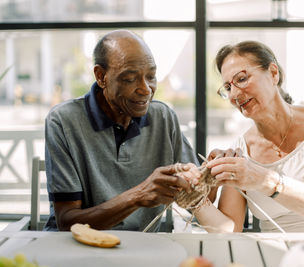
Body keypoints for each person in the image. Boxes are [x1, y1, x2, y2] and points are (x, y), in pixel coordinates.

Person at [194, 40, 304, 235]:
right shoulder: (240, 150)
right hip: (275, 257)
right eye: (228, 88)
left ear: (273, 73)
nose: (234, 94)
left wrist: (265, 180)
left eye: (241, 79)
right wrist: (196, 200)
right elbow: (229, 230)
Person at [44, 30, 199, 232]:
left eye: (151, 76)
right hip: (79, 247)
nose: (146, 89)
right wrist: (138, 196)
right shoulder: (63, 121)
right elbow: (67, 222)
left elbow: (197, 198)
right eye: (129, 79)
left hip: (141, 251)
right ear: (101, 76)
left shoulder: (163, 117)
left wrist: (215, 172)